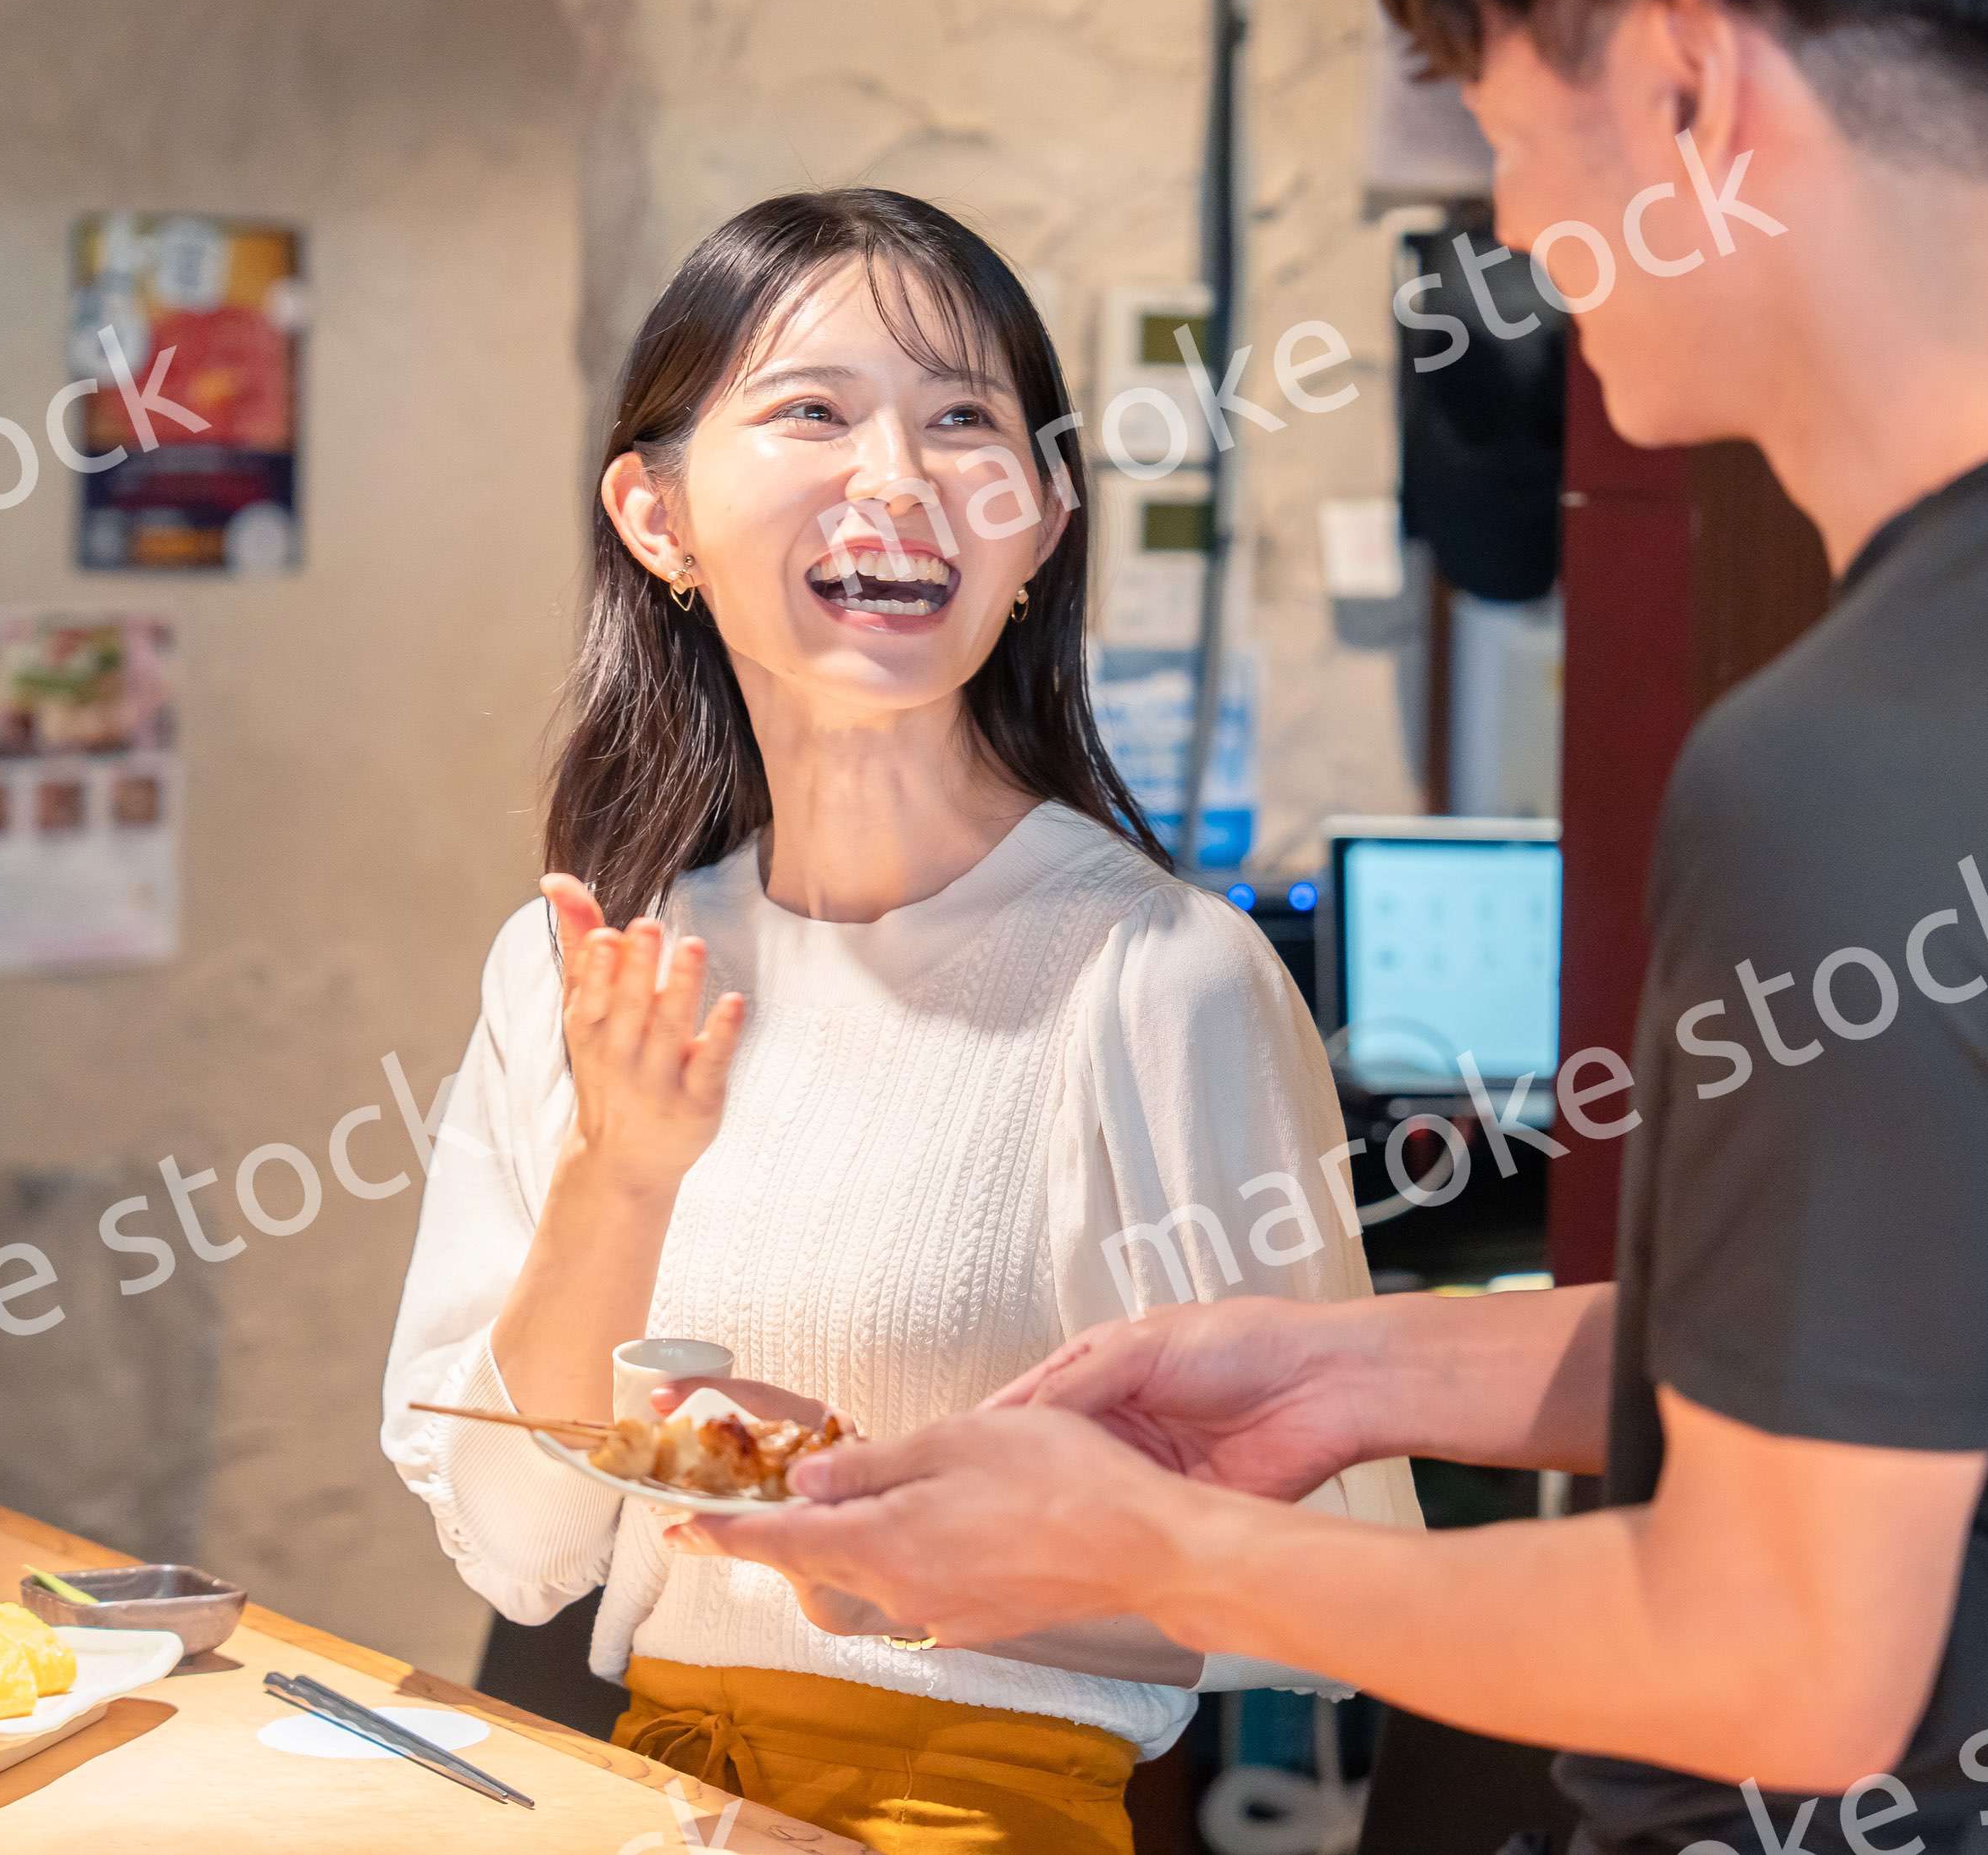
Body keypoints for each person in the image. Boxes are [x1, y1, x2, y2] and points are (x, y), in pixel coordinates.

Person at [694, 0, 1988, 1852]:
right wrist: (1350, 1367)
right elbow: (1968, 1370)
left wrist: (1139, 1547)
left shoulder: (1865, 758)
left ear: (1691, 86)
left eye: (1516, 131)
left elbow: (1780, 1655)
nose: (1525, 232)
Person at [380, 189, 1419, 1855]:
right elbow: (518, 1546)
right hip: (655, 1814)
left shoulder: (1158, 980)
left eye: (961, 421)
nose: (900, 476)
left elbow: (1332, 1596)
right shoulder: (585, 960)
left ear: (1040, 519)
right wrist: (620, 1175)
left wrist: (872, 1526)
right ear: (655, 515)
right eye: (811, 409)